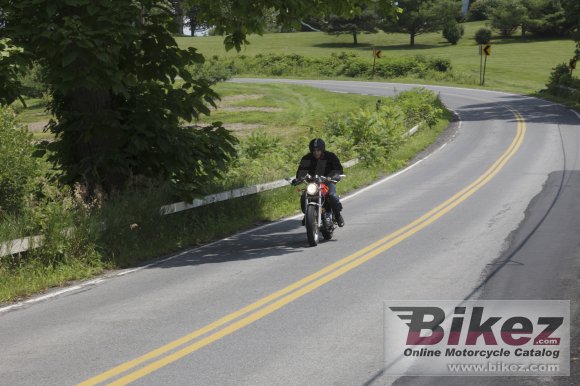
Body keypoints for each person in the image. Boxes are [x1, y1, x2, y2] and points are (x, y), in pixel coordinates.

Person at [293, 138, 345, 227]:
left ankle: (338, 216)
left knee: (332, 195)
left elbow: (338, 169)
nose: (316, 152)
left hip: (327, 182)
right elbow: (301, 172)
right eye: (314, 150)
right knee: (303, 197)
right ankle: (308, 215)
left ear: (322, 149)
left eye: (318, 150)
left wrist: (333, 176)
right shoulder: (307, 158)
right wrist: (299, 179)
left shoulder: (330, 156)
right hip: (312, 184)